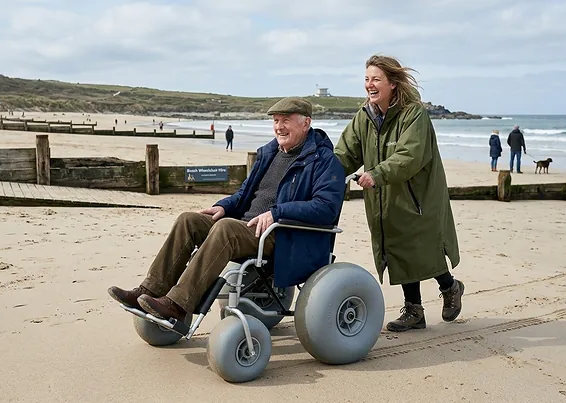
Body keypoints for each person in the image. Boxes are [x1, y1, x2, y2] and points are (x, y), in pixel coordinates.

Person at [108, 97, 346, 322]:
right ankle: (149, 290)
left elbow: (325, 208)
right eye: (275, 121)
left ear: (306, 123)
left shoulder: (325, 161)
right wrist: (223, 206)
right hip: (248, 226)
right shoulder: (269, 153)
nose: (279, 127)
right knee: (188, 220)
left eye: (286, 120)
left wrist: (278, 212)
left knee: (226, 229)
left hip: (284, 234)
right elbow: (245, 193)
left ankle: (178, 305)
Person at [334, 54, 464, 332]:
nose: (369, 84)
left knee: (420, 247)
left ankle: (450, 286)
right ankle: (414, 310)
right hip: (384, 196)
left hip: (416, 195)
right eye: (367, 79)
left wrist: (375, 174)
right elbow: (345, 152)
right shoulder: (364, 117)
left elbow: (410, 155)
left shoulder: (413, 114)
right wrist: (322, 173)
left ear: (392, 83)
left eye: (376, 79)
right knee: (396, 246)